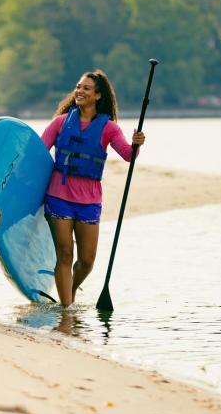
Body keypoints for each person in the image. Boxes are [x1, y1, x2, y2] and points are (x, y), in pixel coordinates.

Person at [41, 70, 144, 308]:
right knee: (65, 255)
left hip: (89, 201)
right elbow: (37, 152)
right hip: (59, 196)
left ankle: (70, 291)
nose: (80, 91)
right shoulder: (60, 123)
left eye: (87, 88)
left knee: (87, 261)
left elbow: (129, 156)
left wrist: (136, 145)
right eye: (78, 87)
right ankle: (66, 311)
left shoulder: (108, 128)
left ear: (98, 95)